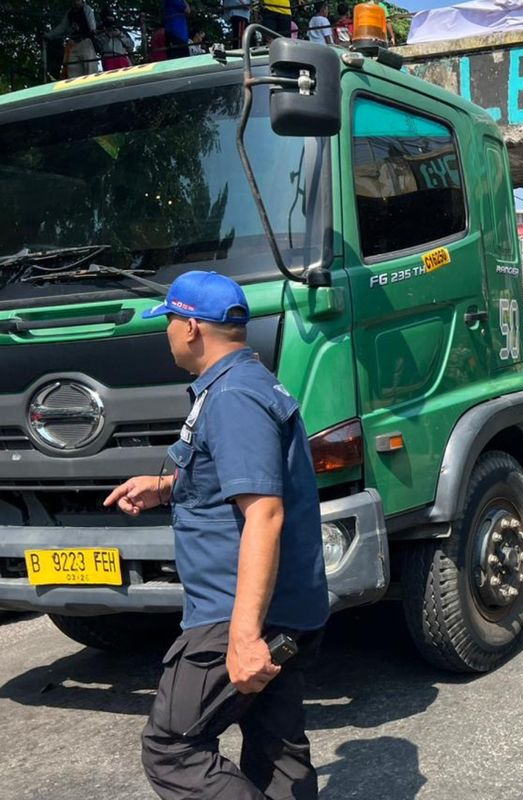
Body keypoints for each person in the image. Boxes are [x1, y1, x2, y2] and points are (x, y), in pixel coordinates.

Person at [103, 272, 328, 799]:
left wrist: (244, 637)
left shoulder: (232, 398)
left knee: (172, 748)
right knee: (277, 749)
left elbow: (265, 513)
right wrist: (167, 487)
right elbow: (239, 476)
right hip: (284, 607)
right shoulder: (247, 382)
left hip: (235, 612)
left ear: (191, 328)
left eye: (170, 322)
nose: (168, 333)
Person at [47, 0, 99, 78]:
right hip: (74, 44)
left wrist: (93, 29)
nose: (75, 2)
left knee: (89, 69)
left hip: (86, 42)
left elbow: (91, 23)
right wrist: (48, 35)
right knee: (72, 70)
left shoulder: (86, 9)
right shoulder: (70, 13)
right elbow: (62, 27)